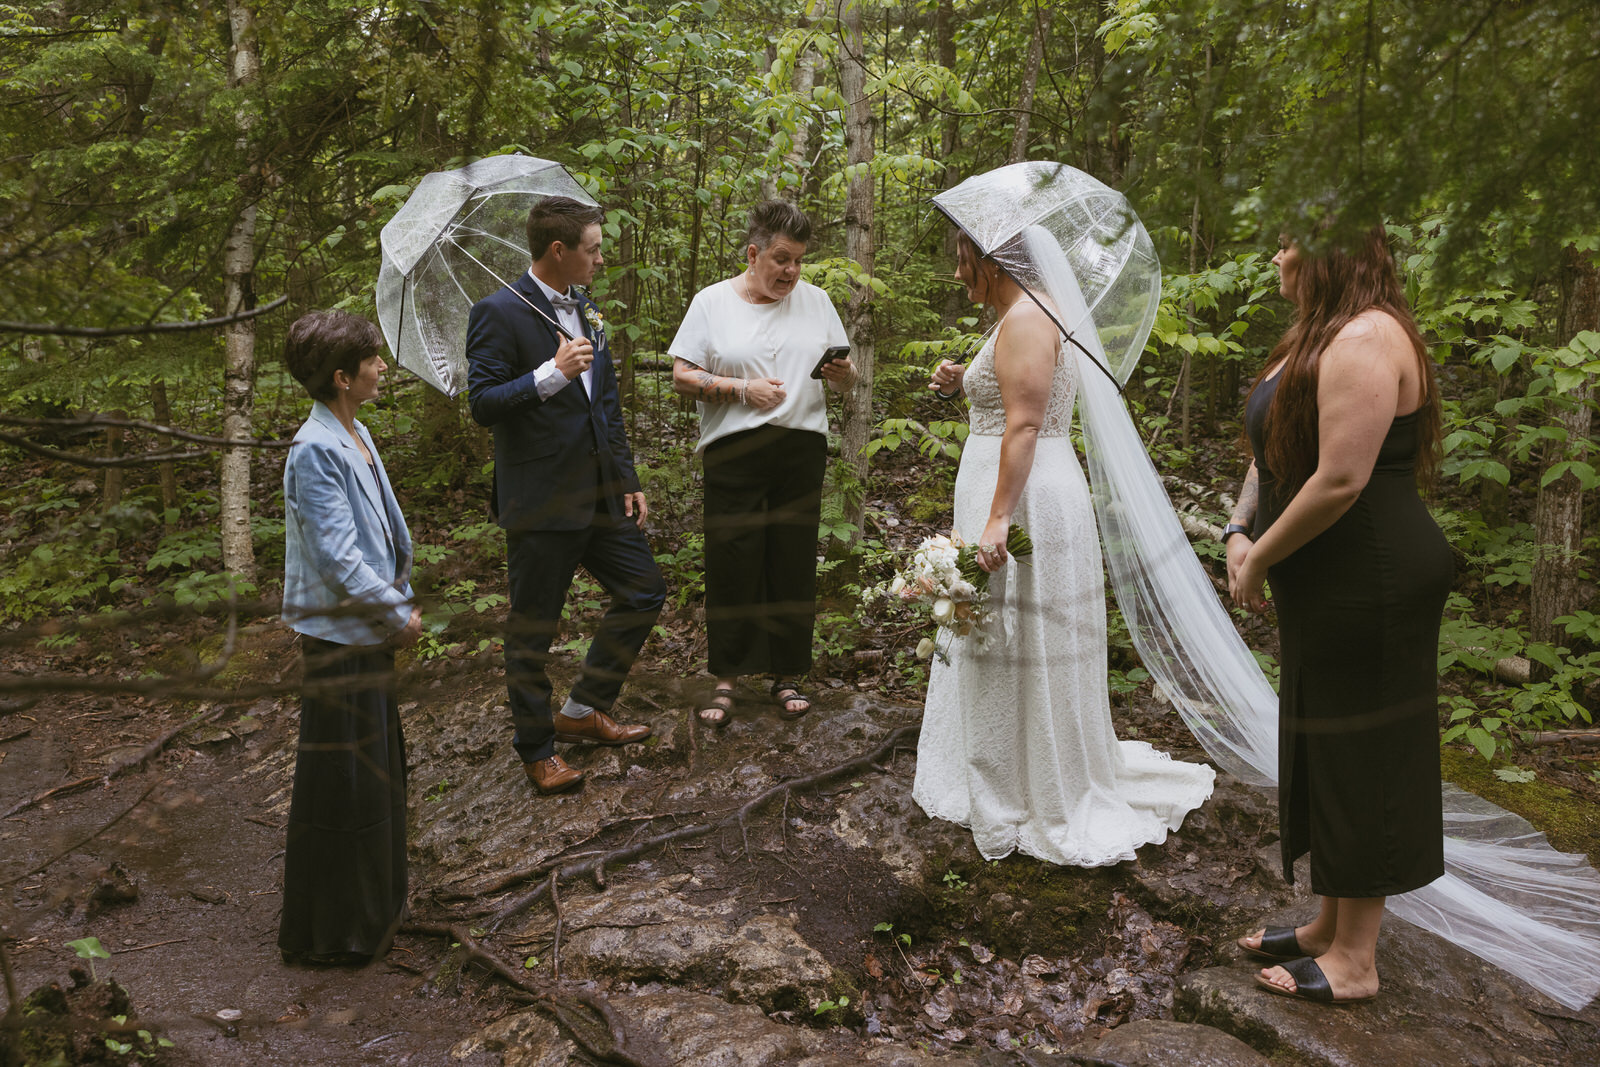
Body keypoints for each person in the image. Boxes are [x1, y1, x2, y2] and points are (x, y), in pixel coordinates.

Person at [912, 230, 1215, 867]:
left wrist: (998, 520)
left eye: (963, 257)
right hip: (1019, 487)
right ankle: (1018, 766)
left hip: (1023, 497)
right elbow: (1007, 395)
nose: (958, 270)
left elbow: (1023, 423)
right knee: (1008, 629)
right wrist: (959, 380)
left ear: (991, 259)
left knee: (1016, 629)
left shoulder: (1025, 316)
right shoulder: (1031, 311)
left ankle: (1023, 788)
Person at [1229, 226, 1452, 1004]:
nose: (1277, 258)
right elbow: (1270, 454)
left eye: (1288, 244)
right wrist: (1237, 527)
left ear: (1327, 252)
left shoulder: (1365, 338)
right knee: (1326, 736)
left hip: (1375, 578)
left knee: (1368, 749)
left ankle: (1358, 958)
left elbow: (1339, 479)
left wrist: (1258, 558)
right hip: (1329, 580)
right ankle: (1329, 923)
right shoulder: (1316, 336)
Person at [466, 195, 664, 795]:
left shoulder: (587, 309)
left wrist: (626, 478)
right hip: (542, 499)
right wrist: (551, 375)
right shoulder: (496, 313)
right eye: (594, 249)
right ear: (560, 250)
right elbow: (483, 404)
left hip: (600, 495)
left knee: (644, 591)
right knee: (533, 629)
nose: (600, 259)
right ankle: (537, 748)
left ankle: (582, 710)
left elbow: (607, 405)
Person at [668, 200, 856, 727]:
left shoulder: (817, 302)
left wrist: (843, 374)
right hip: (735, 448)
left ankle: (787, 672)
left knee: (791, 560)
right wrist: (739, 389)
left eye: (798, 261)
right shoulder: (711, 303)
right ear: (753, 254)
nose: (791, 271)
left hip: (800, 448)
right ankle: (727, 676)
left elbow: (849, 377)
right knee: (733, 557)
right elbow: (683, 376)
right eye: (780, 259)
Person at [278, 310, 421, 965]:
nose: (383, 366)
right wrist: (396, 612)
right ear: (342, 376)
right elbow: (337, 556)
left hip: (363, 632)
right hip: (339, 638)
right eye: (372, 358)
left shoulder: (355, 431)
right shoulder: (315, 449)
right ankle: (333, 934)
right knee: (343, 783)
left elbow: (376, 534)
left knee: (372, 775)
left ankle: (376, 909)